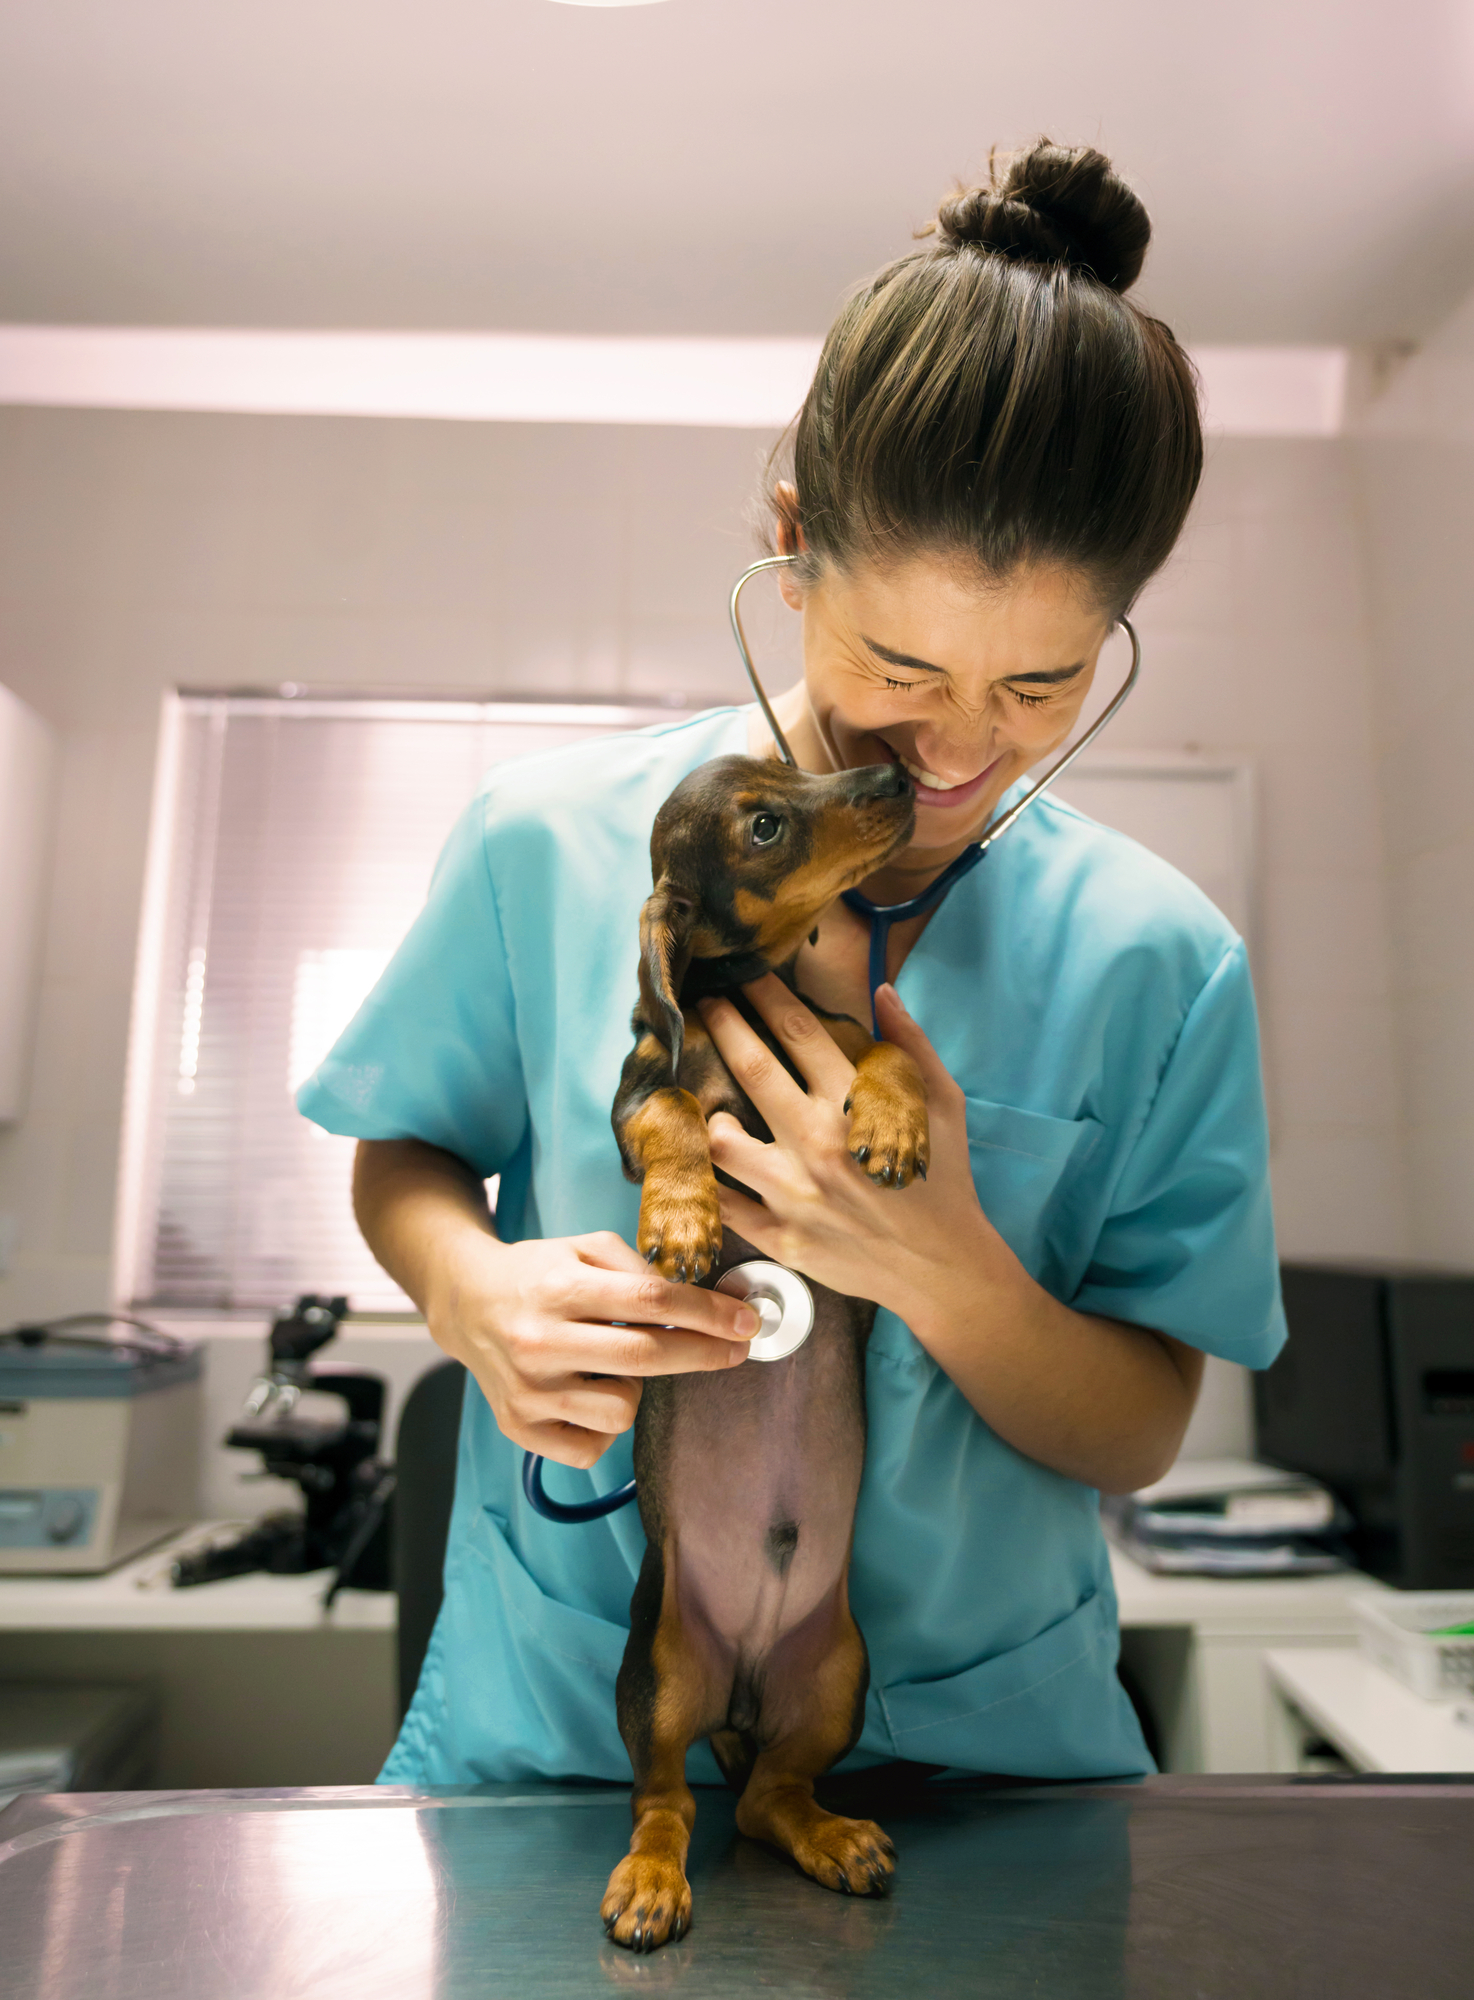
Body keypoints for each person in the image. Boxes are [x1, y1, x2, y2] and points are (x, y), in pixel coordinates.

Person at [298, 140, 1285, 1786]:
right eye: (898, 663)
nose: (954, 749)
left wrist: (942, 1261)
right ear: (792, 540)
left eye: (1039, 685)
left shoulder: (1157, 962)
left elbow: (1142, 1425)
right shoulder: (541, 843)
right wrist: (472, 1294)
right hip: (568, 1755)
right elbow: (402, 1158)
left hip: (976, 1775)